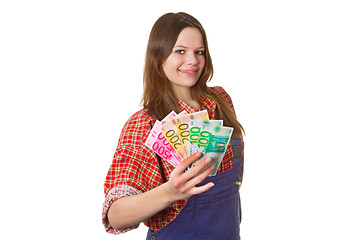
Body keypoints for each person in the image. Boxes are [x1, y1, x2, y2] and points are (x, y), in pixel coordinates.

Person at [102, 12, 245, 239]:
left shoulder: (221, 101)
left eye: (199, 52)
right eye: (180, 51)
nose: (193, 61)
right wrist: (170, 192)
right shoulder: (144, 124)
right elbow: (115, 216)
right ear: (158, 57)